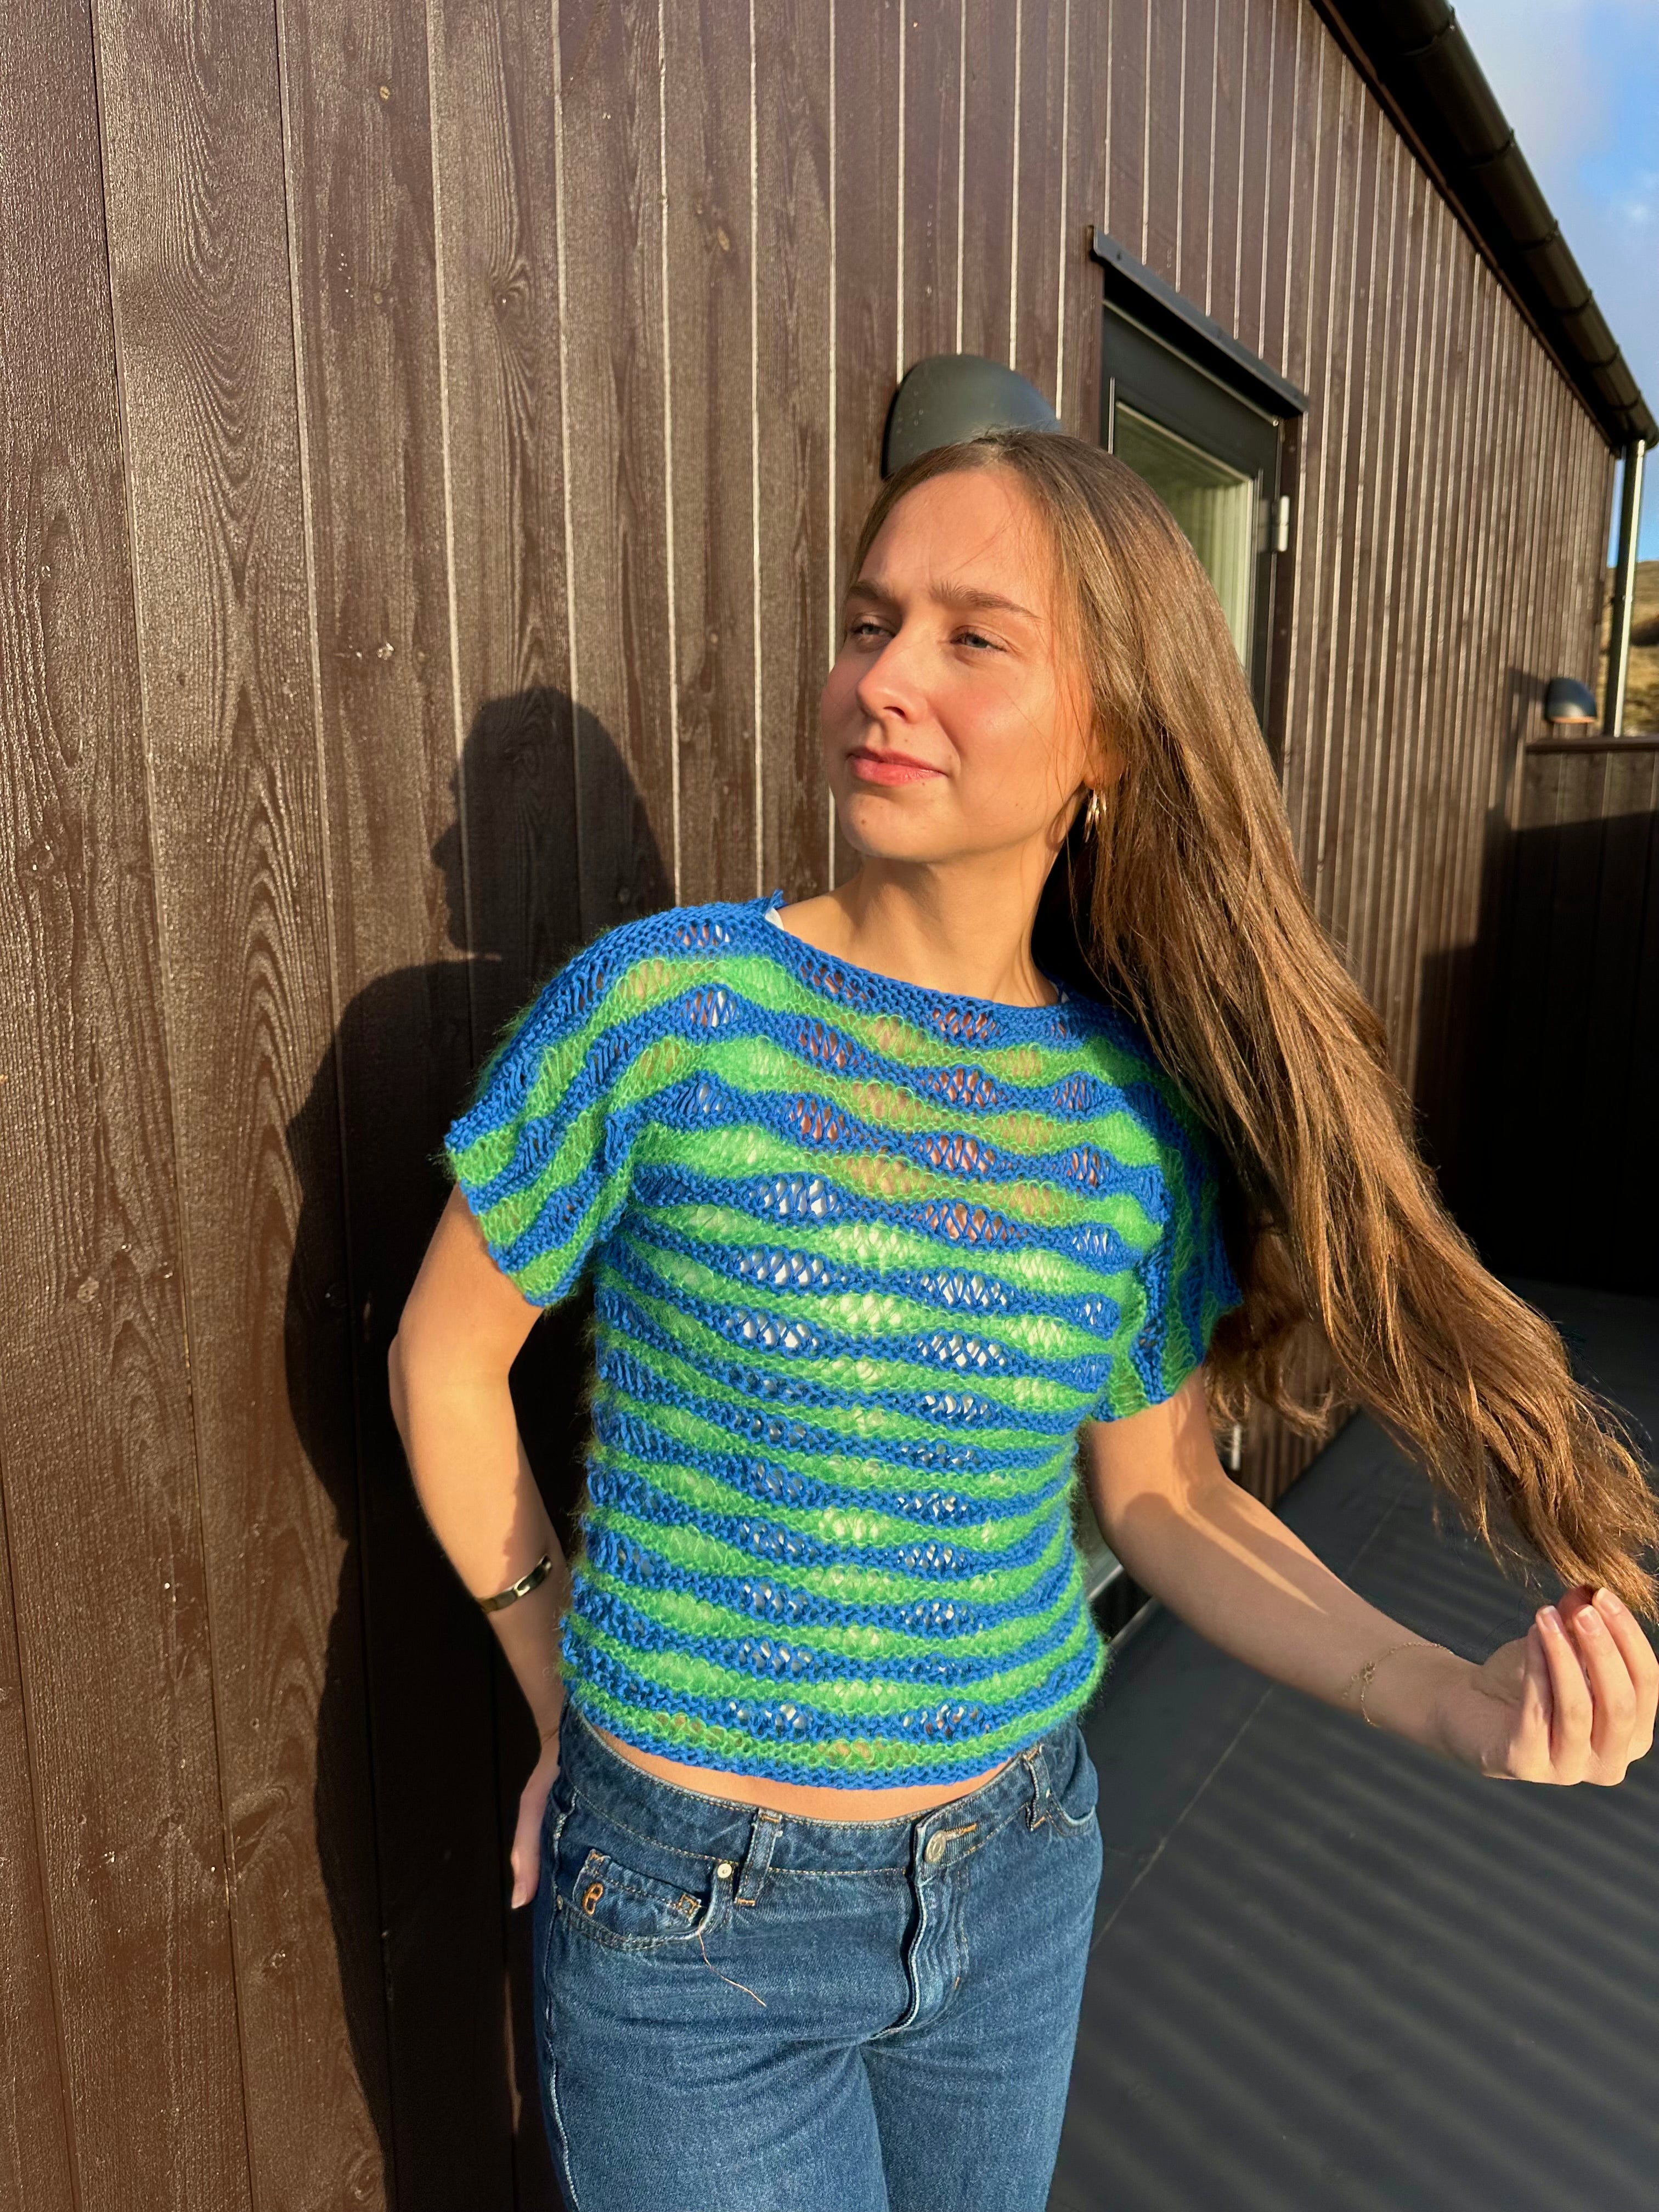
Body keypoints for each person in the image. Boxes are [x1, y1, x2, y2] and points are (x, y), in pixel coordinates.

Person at [388, 428, 1659, 2212]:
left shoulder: (1130, 1118)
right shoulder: (664, 1011)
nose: (883, 680)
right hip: (692, 1939)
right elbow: (446, 1356)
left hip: (1012, 1882)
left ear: (1115, 737)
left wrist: (1455, 1700)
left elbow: (1167, 1500)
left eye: (973, 637)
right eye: (870, 620)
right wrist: (555, 1690)